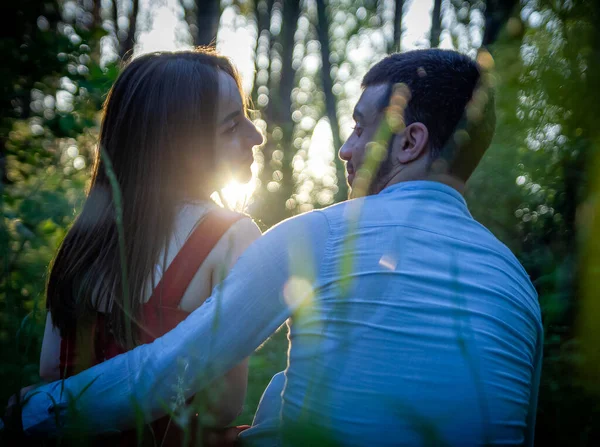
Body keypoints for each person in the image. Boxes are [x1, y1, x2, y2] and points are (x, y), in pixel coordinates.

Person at [15, 49, 542, 446]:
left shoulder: (323, 236)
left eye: (360, 128)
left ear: (410, 142)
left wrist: (28, 415)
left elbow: (166, 372)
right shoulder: (519, 287)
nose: (345, 147)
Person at [27, 48, 263, 444]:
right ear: (179, 146)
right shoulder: (231, 236)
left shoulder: (83, 239)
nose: (255, 136)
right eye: (231, 125)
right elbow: (223, 406)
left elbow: (51, 369)